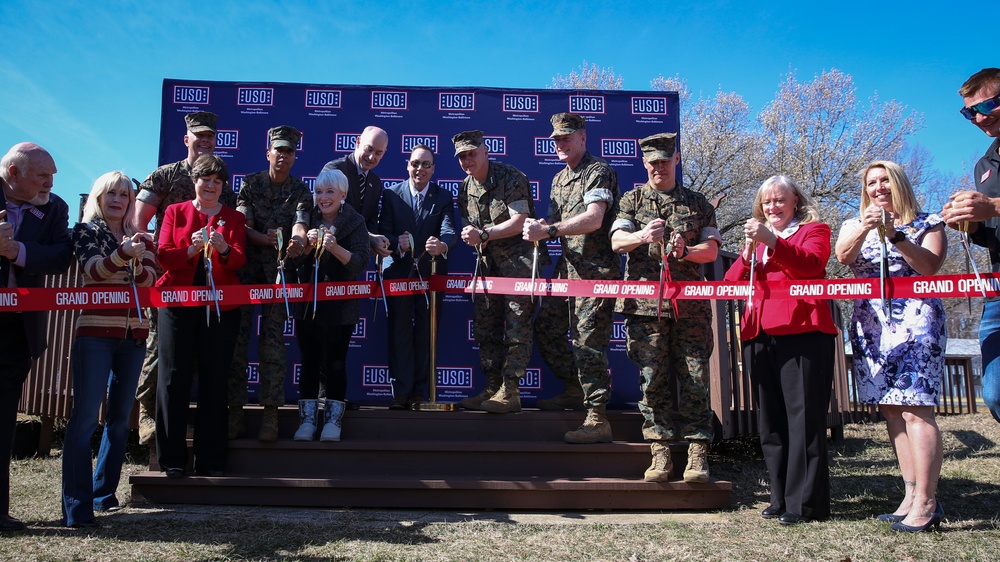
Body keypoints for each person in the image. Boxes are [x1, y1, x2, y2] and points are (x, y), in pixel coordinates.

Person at [836, 160, 947, 532]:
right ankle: (911, 492)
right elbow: (843, 258)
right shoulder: (854, 224)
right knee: (893, 412)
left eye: (885, 181)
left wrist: (896, 236)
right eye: (871, 183)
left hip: (917, 320)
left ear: (898, 183)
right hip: (873, 325)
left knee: (917, 409)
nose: (878, 187)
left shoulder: (927, 222)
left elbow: (930, 266)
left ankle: (929, 501)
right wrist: (867, 229)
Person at [723, 175, 837, 525]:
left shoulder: (814, 230)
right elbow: (730, 283)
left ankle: (805, 504)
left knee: (803, 419)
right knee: (770, 421)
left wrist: (772, 241)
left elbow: (811, 265)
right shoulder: (756, 241)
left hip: (803, 331)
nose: (773, 207)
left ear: (795, 202)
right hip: (759, 332)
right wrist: (746, 253)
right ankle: (780, 495)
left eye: (780, 200)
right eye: (767, 201)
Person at [609, 133, 719, 483]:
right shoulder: (631, 200)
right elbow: (616, 242)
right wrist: (643, 237)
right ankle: (659, 451)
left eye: (665, 161)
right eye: (652, 162)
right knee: (652, 379)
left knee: (695, 377)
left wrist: (685, 251)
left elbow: (712, 251)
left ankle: (698, 452)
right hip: (645, 308)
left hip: (689, 307)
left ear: (676, 159)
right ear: (644, 163)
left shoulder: (699, 203)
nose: (659, 167)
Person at [133, 111, 236, 445]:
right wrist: (161, 260)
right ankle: (147, 414)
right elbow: (138, 223)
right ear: (186, 138)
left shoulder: (224, 186)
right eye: (199, 136)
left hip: (212, 288)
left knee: (210, 367)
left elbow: (234, 232)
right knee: (160, 357)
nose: (204, 141)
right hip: (170, 282)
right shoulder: (165, 175)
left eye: (210, 137)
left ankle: (208, 438)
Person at [62, 171, 156, 528]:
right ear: (98, 198)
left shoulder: (139, 235)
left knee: (119, 421)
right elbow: (92, 271)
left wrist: (136, 254)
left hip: (134, 335)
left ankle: (104, 495)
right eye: (111, 193)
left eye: (125, 194)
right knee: (85, 419)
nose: (118, 199)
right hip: (95, 334)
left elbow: (149, 278)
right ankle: (76, 508)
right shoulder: (86, 231)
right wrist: (124, 255)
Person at [524, 113, 620, 441]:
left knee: (588, 342)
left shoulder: (598, 172)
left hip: (597, 272)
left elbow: (594, 219)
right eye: (556, 139)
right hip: (567, 270)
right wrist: (538, 227)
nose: (560, 144)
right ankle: (573, 388)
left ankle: (597, 418)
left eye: (567, 138)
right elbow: (553, 217)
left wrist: (548, 230)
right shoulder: (558, 179)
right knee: (547, 328)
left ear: (583, 138)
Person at [155, 154, 246, 478]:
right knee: (172, 378)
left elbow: (238, 262)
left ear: (223, 186)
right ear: (194, 181)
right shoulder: (174, 212)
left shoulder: (233, 218)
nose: (210, 186)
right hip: (177, 306)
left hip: (221, 308)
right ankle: (172, 460)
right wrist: (192, 250)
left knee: (214, 379)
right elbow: (163, 255)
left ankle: (211, 460)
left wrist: (222, 248)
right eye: (205, 179)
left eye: (217, 181)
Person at [0, 142, 73, 532]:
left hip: (17, 331)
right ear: (14, 174)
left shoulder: (55, 207)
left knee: (3, 420)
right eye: (43, 175)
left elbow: (61, 255)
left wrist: (17, 251)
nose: (51, 182)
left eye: (53, 174)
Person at [452, 130, 549, 413]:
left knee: (517, 328)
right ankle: (492, 387)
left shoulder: (510, 177)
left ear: (485, 151)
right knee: (486, 328)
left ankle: (511, 390)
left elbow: (520, 221)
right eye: (462, 156)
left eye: (472, 153)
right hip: (487, 268)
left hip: (519, 267)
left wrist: (483, 234)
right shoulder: (464, 188)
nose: (467, 160)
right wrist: (476, 237)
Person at [229, 126, 311, 441]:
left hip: (280, 275)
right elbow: (242, 224)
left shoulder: (301, 191)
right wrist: (264, 238)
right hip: (246, 274)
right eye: (279, 150)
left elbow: (302, 224)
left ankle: (270, 416)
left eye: (289, 151)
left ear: (294, 156)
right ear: (268, 153)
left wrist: (297, 241)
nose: (284, 156)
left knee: (273, 345)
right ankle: (234, 413)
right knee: (238, 343)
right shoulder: (249, 184)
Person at [292, 169, 370, 441]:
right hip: (308, 305)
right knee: (309, 362)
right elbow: (294, 262)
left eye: (329, 192)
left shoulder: (355, 221)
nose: (323, 198)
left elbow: (361, 262)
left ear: (343, 195)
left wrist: (335, 247)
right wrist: (307, 247)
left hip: (342, 305)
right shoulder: (306, 219)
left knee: (336, 363)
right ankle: (307, 421)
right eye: (319, 192)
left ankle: (333, 422)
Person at [941, 67, 1000, 424]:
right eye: (968, 112)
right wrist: (970, 223)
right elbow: (989, 230)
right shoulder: (985, 164)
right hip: (996, 289)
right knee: (994, 392)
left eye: (986, 105)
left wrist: (992, 206)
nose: (976, 117)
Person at [378, 145, 455, 408]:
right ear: (407, 166)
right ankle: (400, 392)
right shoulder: (391, 194)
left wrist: (442, 246)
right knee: (398, 332)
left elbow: (449, 231)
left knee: (426, 332)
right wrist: (396, 243)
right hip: (398, 272)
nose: (419, 169)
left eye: (425, 164)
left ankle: (419, 391)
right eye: (415, 163)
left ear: (433, 169)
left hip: (430, 275)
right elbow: (382, 231)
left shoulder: (443, 197)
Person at [321, 126, 392, 258]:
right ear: (358, 142)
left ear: (384, 153)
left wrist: (377, 243)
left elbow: (370, 221)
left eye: (378, 153)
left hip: (353, 263)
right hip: (326, 258)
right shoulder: (334, 170)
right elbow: (330, 215)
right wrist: (369, 237)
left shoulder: (375, 183)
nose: (371, 157)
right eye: (368, 149)